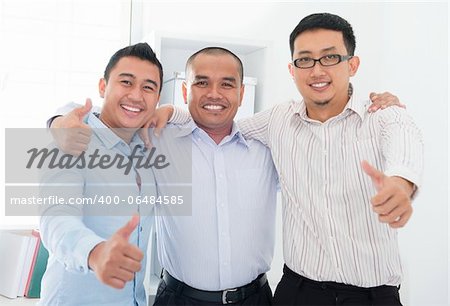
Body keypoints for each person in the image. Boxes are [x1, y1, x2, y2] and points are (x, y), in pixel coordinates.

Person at [49, 47, 402, 305]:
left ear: (241, 93)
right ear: (186, 92)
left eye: (227, 84)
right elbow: (55, 219)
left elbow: (322, 157)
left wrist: (373, 106)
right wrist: (59, 120)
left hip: (254, 299)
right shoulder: (154, 138)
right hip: (175, 298)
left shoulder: (266, 145)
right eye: (201, 83)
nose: (214, 94)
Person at [235, 13, 423, 305]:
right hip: (297, 293)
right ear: (292, 68)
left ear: (352, 65)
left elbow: (405, 146)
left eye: (330, 58)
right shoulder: (278, 120)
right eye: (305, 60)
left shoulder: (383, 116)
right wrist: (170, 113)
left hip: (373, 297)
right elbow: (221, 128)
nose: (317, 70)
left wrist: (400, 185)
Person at [38, 42, 163, 306]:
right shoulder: (72, 141)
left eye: (148, 87)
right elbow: (56, 219)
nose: (137, 96)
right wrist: (95, 253)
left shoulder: (149, 147)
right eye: (126, 82)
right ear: (103, 87)